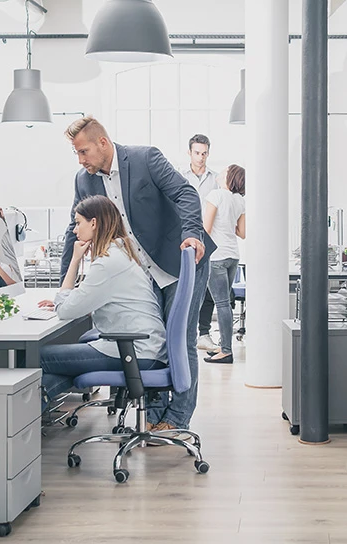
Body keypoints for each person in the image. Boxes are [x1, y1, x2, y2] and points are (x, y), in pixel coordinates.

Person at [61, 116, 214, 432]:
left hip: (180, 261)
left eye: (84, 151)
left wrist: (193, 233)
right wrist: (67, 285)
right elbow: (73, 231)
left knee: (180, 339)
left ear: (102, 143)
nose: (81, 160)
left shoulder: (145, 158)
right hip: (142, 275)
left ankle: (177, 418)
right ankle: (155, 417)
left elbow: (186, 194)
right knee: (153, 342)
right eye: (76, 154)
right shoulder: (84, 180)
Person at [39, 195, 166, 406]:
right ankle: (35, 411)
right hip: (146, 347)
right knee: (64, 361)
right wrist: (72, 299)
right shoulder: (122, 252)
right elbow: (90, 299)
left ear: (94, 223)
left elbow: (65, 311)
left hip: (134, 351)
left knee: (38, 357)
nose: (74, 230)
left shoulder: (108, 262)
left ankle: (30, 415)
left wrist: (74, 260)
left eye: (78, 222)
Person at [201, 165, 246, 364]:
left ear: (229, 177)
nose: (221, 172)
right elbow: (242, 232)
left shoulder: (216, 195)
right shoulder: (239, 200)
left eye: (225, 171)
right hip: (233, 256)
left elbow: (206, 229)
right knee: (224, 303)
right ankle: (223, 346)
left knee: (222, 304)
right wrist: (227, 223)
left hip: (217, 257)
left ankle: (226, 351)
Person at [180, 134, 219, 353]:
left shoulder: (215, 179)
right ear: (190, 153)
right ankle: (185, 332)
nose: (201, 157)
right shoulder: (180, 176)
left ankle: (203, 333)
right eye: (197, 152)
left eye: (204, 153)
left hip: (210, 239)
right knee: (184, 286)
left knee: (206, 289)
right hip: (187, 238)